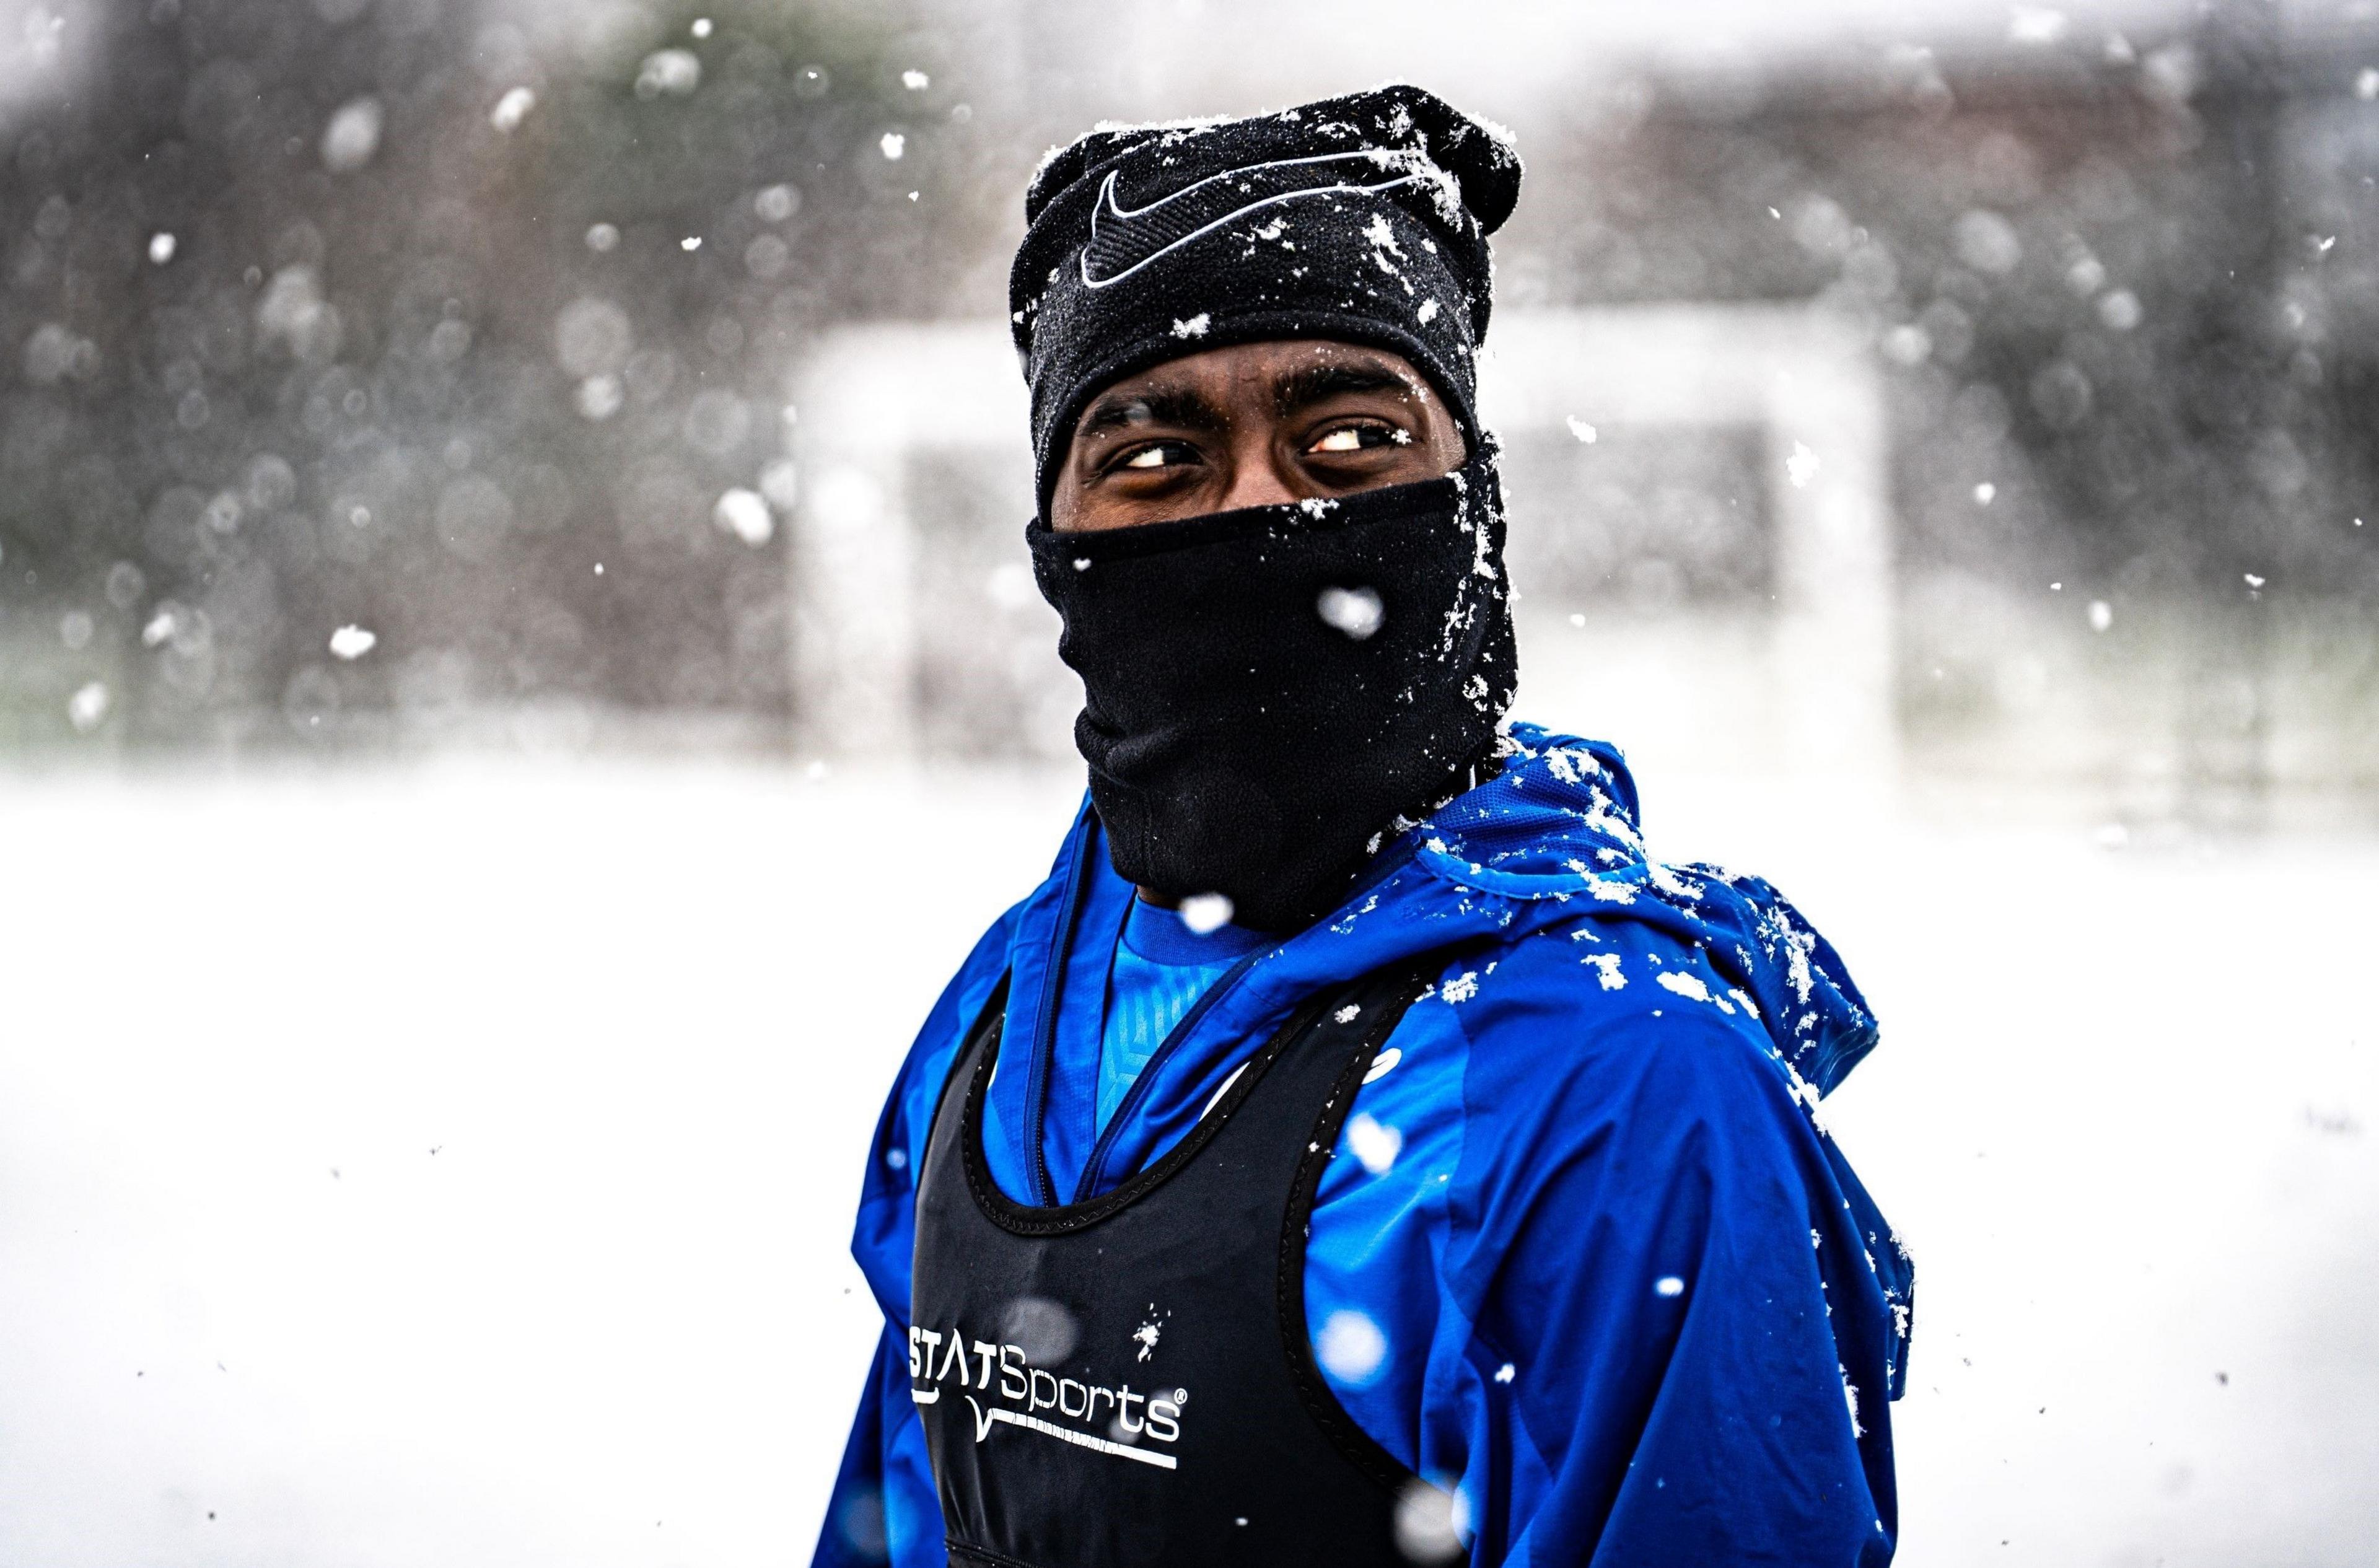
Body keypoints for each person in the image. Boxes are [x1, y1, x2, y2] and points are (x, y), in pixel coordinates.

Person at [812, 84, 1911, 1568]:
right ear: (1057, 548)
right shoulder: (1005, 1018)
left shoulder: (1619, 1092)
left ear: (1472, 512)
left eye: (1349, 440)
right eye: (1154, 461)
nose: (1263, 512)